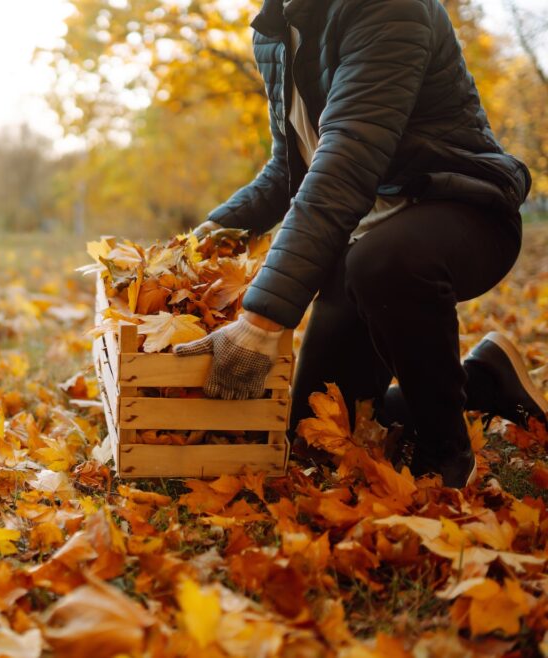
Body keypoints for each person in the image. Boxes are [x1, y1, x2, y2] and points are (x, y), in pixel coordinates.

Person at [172, 0, 545, 487]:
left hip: (461, 210)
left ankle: (446, 458)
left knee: (382, 261)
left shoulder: (389, 7)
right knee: (316, 428)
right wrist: (205, 236)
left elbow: (346, 159)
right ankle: (484, 381)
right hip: (366, 240)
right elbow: (290, 167)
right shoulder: (273, 30)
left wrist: (261, 323)